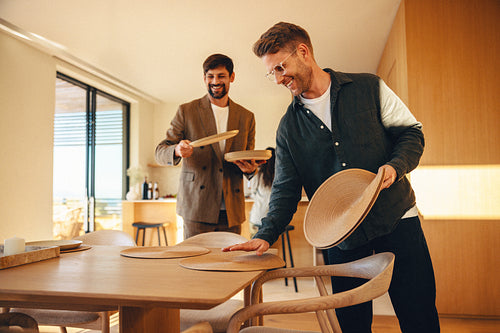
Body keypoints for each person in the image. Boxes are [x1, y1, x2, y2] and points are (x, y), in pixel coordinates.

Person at [223, 22, 440, 332]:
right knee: (352, 324)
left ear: (303, 52)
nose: (278, 78)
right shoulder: (288, 128)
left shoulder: (369, 87)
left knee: (418, 315)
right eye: (272, 72)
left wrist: (395, 165)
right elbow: (284, 191)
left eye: (281, 67)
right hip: (339, 235)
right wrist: (263, 235)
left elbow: (411, 133)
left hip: (398, 218)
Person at [155, 54, 260, 239]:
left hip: (231, 209)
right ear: (204, 78)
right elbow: (160, 151)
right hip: (196, 206)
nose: (215, 81)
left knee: (229, 264)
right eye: (210, 76)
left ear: (232, 77)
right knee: (194, 263)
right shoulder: (187, 111)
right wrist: (177, 150)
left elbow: (248, 158)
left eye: (221, 76)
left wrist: (251, 170)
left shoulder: (246, 117)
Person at [248, 147, 275, 237]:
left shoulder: (258, 174)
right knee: (267, 246)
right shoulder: (280, 176)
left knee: (254, 246)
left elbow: (253, 192)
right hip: (272, 219)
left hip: (257, 217)